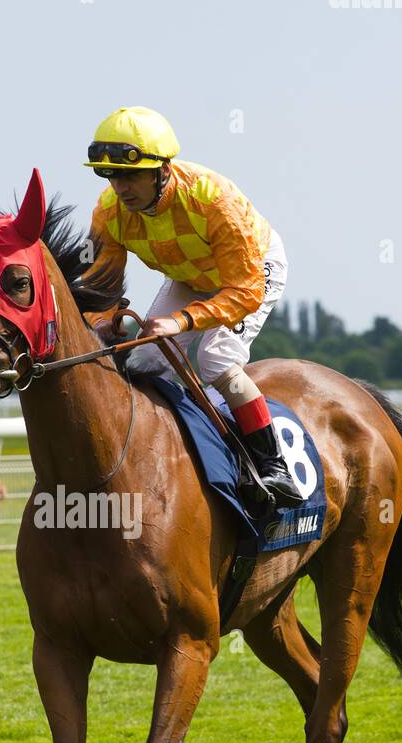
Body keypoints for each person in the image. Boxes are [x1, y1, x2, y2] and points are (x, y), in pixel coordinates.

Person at [83, 106, 302, 508]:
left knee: (216, 356)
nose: (121, 186)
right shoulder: (109, 213)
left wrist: (182, 321)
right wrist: (103, 321)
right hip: (190, 276)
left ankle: (274, 467)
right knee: (146, 363)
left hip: (252, 270)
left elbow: (244, 290)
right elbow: (102, 284)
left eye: (131, 174)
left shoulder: (214, 199)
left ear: (161, 170)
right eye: (110, 175)